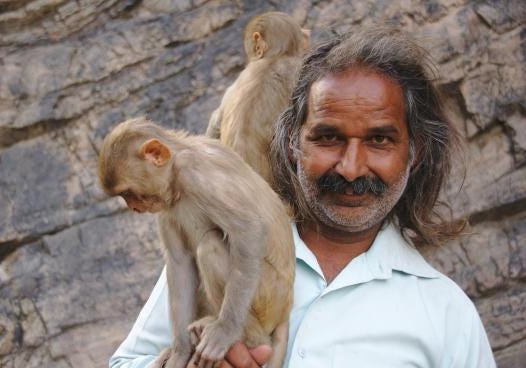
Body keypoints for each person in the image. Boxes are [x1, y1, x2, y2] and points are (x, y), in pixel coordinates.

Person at [110, 27, 496, 368]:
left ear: (414, 153)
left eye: (380, 140)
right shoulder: (215, 238)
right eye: (328, 137)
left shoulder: (446, 314)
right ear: (292, 143)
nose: (350, 167)